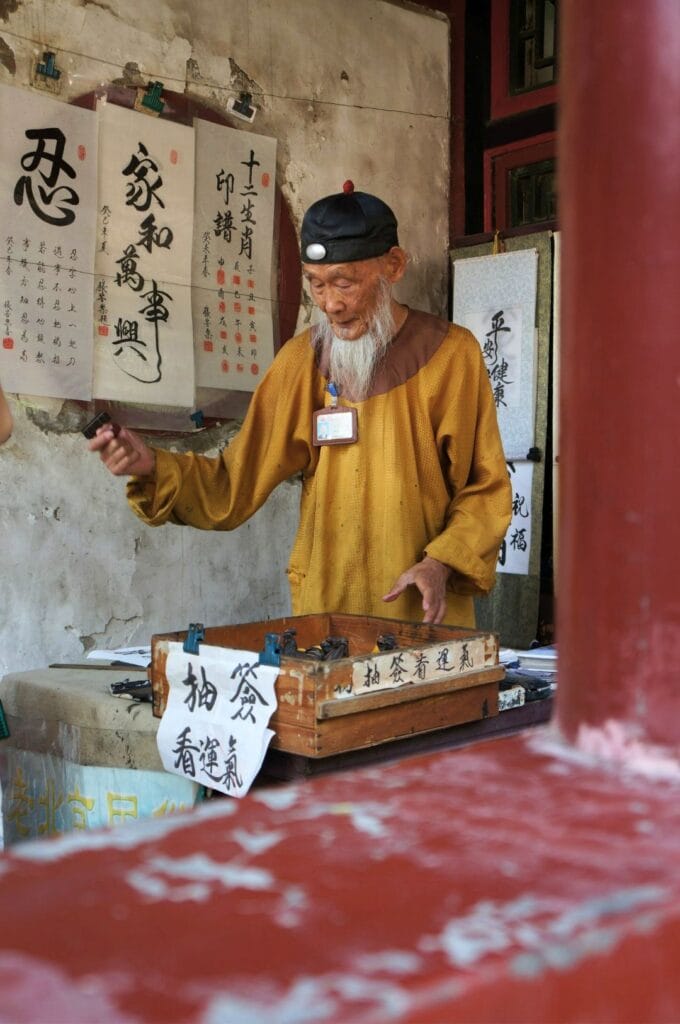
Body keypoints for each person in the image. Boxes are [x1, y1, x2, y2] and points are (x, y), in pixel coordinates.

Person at [89, 182, 511, 627]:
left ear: (393, 265)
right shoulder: (300, 362)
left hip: (421, 615)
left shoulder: (451, 354)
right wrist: (152, 467)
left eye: (344, 283)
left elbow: (485, 487)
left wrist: (440, 563)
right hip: (325, 613)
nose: (331, 304)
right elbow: (234, 482)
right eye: (316, 284)